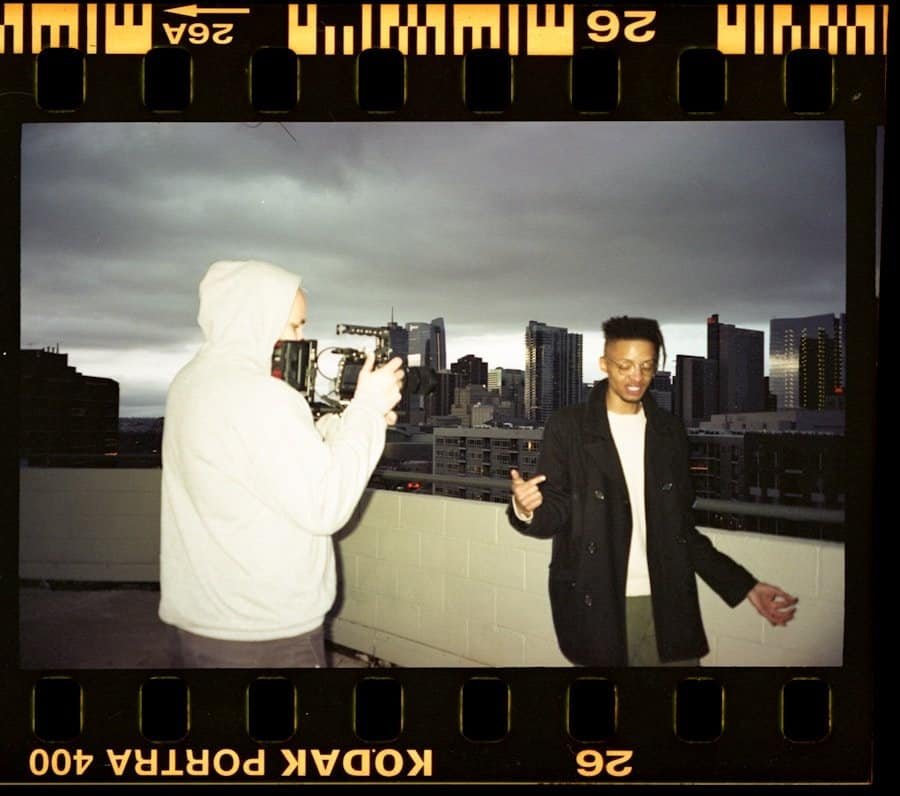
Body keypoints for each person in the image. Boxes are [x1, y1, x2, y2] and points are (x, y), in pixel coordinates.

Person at [507, 316, 797, 667]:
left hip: (667, 596)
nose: (636, 377)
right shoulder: (569, 427)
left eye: (646, 366)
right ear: (604, 364)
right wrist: (526, 508)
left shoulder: (668, 430)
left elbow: (681, 530)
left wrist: (745, 586)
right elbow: (554, 512)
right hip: (599, 596)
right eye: (625, 365)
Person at [159, 259, 404, 668]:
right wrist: (366, 409)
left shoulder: (192, 381)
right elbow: (325, 505)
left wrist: (341, 426)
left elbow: (261, 462)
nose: (302, 337)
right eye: (294, 325)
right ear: (256, 319)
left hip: (203, 620)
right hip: (264, 634)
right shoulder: (263, 395)